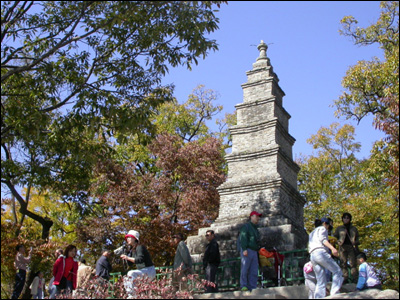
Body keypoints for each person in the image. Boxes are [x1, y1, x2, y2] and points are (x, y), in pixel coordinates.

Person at [308, 217, 343, 298]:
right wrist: (333, 248)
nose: (328, 228)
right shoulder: (322, 229)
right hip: (320, 252)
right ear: (324, 224)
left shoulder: (312, 233)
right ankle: (335, 292)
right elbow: (323, 240)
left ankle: (318, 297)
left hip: (312, 255)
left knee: (320, 279)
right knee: (337, 271)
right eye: (328, 225)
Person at [119, 230, 156, 294]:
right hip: (143, 271)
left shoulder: (140, 247)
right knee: (126, 278)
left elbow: (139, 260)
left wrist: (127, 257)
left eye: (129, 237)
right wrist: (126, 256)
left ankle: (131, 295)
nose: (127, 239)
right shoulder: (133, 249)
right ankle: (134, 294)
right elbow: (130, 264)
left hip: (149, 270)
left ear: (134, 238)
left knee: (131, 274)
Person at [239, 210, 262, 292]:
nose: (258, 218)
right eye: (256, 216)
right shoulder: (246, 227)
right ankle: (243, 285)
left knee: (254, 270)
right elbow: (243, 238)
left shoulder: (256, 229)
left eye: (258, 217)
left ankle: (252, 286)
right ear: (251, 217)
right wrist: (244, 249)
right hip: (247, 250)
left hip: (254, 251)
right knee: (245, 268)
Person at [334, 212, 360, 283]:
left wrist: (355, 242)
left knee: (353, 263)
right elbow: (335, 237)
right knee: (343, 263)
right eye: (344, 218)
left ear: (350, 219)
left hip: (351, 246)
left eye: (347, 218)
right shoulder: (339, 228)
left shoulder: (354, 228)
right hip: (342, 247)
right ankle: (345, 278)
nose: (346, 219)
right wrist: (338, 242)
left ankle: (355, 278)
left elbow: (358, 238)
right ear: (342, 219)